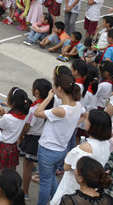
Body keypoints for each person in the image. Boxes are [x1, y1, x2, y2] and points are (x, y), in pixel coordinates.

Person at [35, 71, 85, 205]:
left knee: (44, 183)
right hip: (61, 149)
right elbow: (85, 115)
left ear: (59, 88)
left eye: (54, 87)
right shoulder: (77, 105)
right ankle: (57, 201)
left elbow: (37, 112)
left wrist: (48, 97)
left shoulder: (61, 110)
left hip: (48, 149)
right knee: (50, 178)